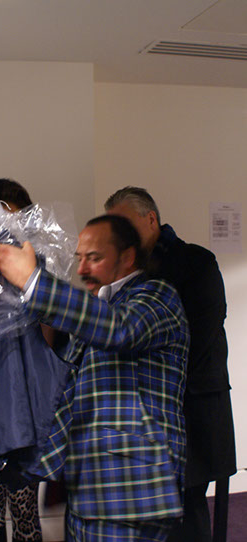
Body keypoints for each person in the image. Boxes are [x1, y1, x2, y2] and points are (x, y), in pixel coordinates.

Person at [0, 214, 189, 541]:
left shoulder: (158, 297)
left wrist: (33, 280)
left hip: (131, 493)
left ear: (127, 257)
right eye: (79, 258)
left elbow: (118, 329)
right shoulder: (95, 314)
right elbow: (68, 398)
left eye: (94, 258)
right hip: (88, 491)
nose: (82, 269)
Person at [104, 187, 236, 542]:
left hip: (191, 417)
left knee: (185, 516)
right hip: (143, 420)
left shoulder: (196, 262)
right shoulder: (125, 275)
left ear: (150, 219)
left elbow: (195, 340)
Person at [0, 178, 43, 542]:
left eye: (17, 219)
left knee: (24, 500)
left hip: (23, 398)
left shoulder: (35, 265)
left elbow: (46, 333)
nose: (8, 229)